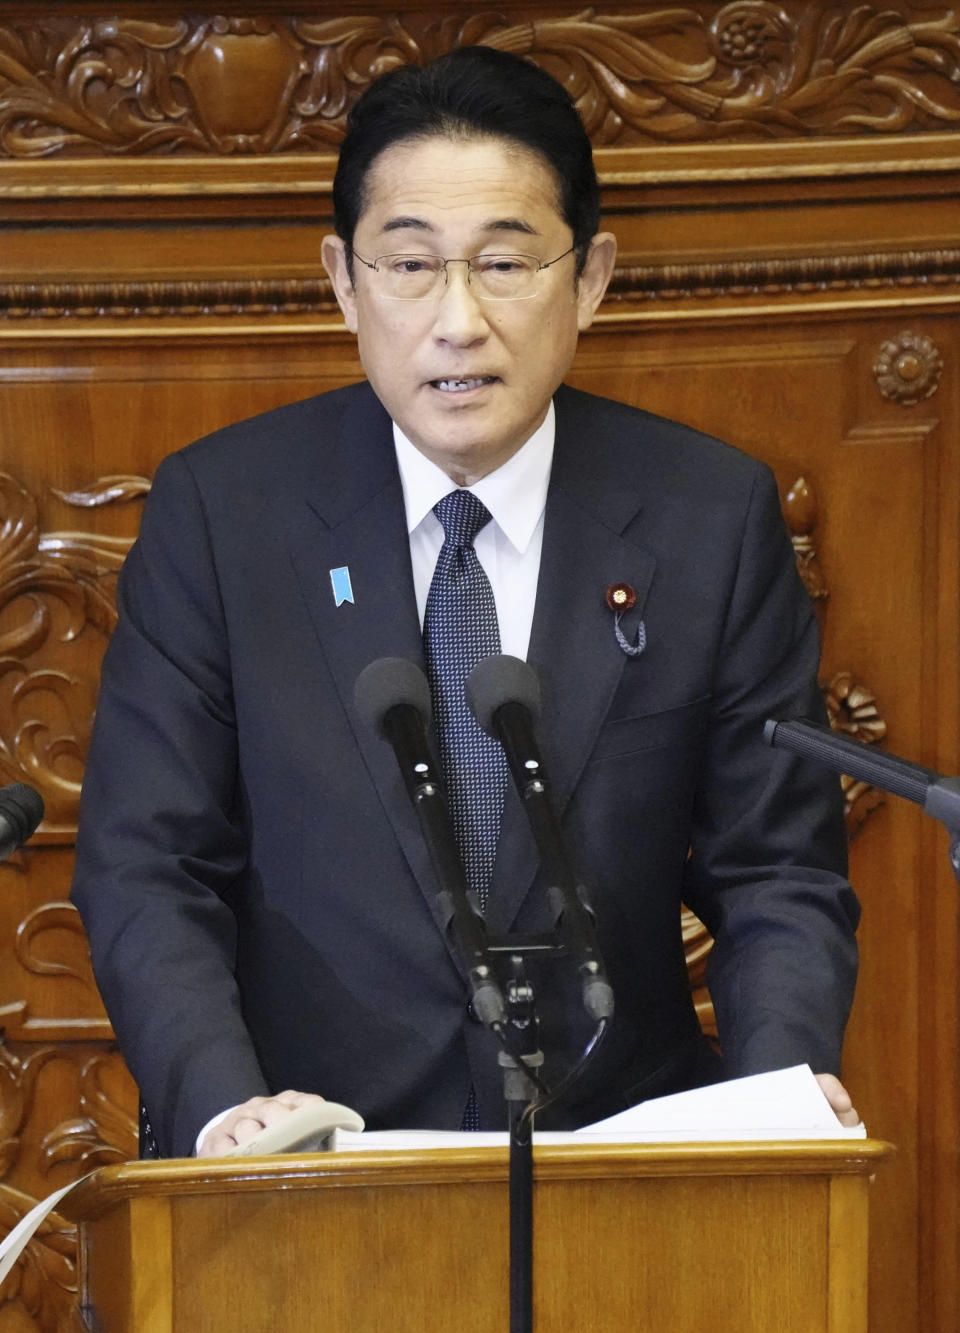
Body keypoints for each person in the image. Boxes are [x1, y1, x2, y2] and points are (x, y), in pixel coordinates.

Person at [71, 46, 859, 1159]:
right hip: (301, 1173)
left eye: (503, 264)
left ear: (589, 278)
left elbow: (775, 866)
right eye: (411, 266)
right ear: (345, 281)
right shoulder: (222, 514)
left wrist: (777, 1096)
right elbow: (148, 860)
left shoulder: (707, 519)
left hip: (619, 1176)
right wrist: (223, 1105)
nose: (458, 320)